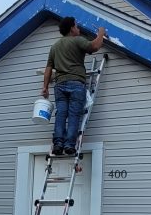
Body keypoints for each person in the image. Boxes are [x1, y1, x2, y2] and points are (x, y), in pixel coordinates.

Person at [41, 17, 106, 155]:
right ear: (71, 28)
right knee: (74, 114)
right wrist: (101, 33)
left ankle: (58, 144)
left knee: (61, 114)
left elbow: (48, 68)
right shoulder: (77, 40)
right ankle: (69, 145)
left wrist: (45, 87)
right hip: (76, 83)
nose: (78, 29)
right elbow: (94, 46)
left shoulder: (55, 46)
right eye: (76, 26)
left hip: (59, 85)